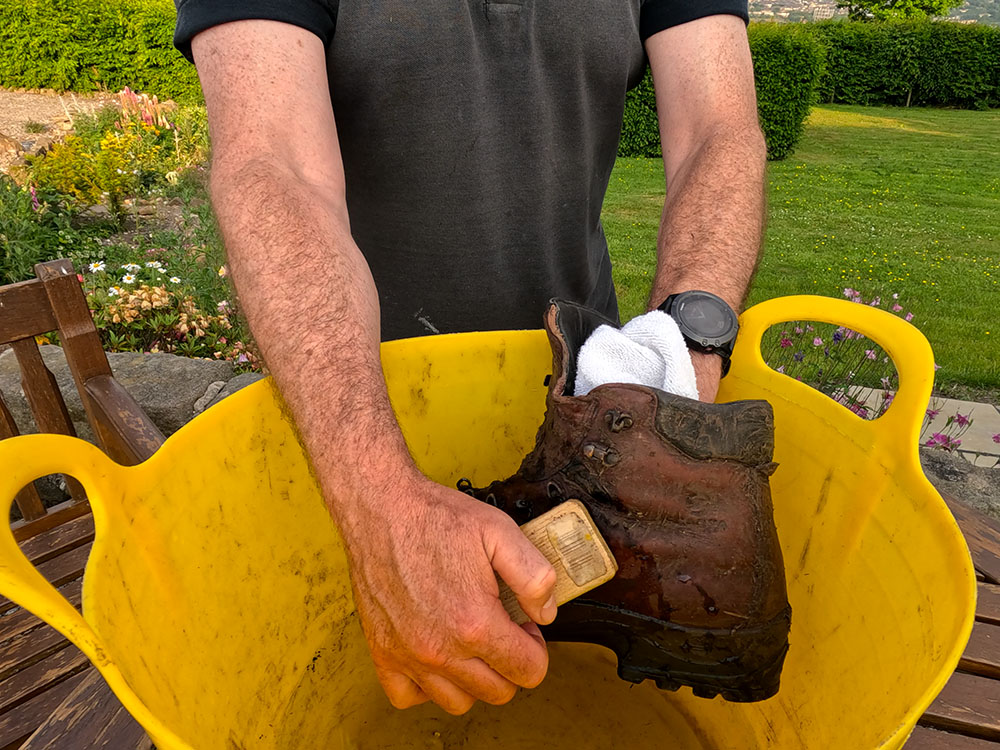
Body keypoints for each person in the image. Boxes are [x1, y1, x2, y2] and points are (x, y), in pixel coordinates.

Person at [173, 0, 766, 716]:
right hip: (358, 420)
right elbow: (276, 165)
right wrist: (379, 507)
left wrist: (676, 381)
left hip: (590, 411)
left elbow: (717, 132)